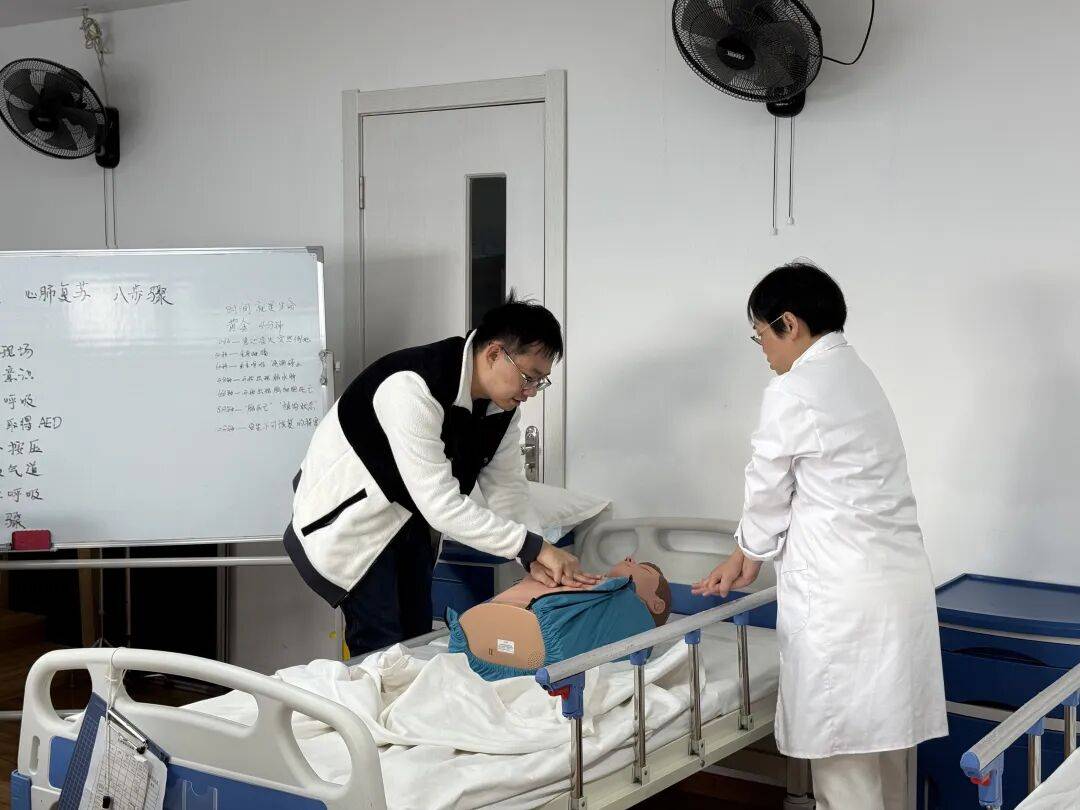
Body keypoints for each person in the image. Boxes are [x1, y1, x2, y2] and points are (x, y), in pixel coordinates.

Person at [693, 261, 947, 810]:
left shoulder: (795, 389)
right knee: (889, 756)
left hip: (843, 598)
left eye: (761, 334)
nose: (763, 349)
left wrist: (749, 551)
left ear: (789, 323)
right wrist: (747, 550)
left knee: (845, 766)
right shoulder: (858, 374)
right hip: (896, 586)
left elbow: (767, 485)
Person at [284, 295, 597, 656]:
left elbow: (508, 489)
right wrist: (534, 547)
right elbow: (440, 505)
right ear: (494, 353)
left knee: (414, 638)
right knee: (381, 647)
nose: (530, 392)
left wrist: (534, 554)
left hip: (406, 520)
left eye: (540, 382)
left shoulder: (502, 410)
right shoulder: (413, 386)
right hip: (349, 523)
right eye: (528, 377)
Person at [448, 558, 672, 680]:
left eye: (642, 568)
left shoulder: (632, 611)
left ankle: (491, 627)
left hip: (493, 637)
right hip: (525, 630)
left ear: (657, 604)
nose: (630, 558)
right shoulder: (596, 586)